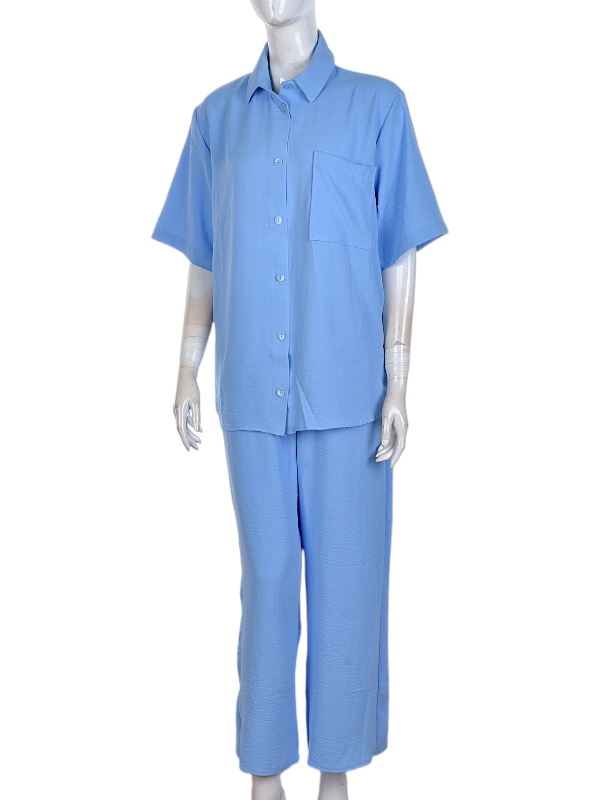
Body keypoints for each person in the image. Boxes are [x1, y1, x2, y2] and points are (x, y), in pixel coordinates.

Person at [151, 2, 447, 798]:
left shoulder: (378, 106)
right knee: (269, 580)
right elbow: (204, 255)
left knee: (349, 586)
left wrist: (399, 378)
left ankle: (336, 772)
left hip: (349, 396)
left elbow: (400, 250)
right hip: (252, 390)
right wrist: (185, 364)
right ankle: (264, 771)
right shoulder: (216, 119)